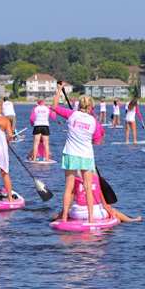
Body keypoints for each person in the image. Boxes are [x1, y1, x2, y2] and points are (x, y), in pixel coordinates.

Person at [52, 83, 105, 223]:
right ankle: (91, 218)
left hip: (71, 154)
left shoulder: (71, 114)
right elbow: (98, 140)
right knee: (88, 187)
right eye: (92, 108)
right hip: (86, 156)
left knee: (69, 186)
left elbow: (55, 107)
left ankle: (64, 217)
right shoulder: (94, 121)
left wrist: (59, 90)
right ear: (89, 107)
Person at [52, 171, 140, 223]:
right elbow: (105, 204)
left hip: (77, 214)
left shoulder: (76, 180)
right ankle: (132, 220)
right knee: (114, 211)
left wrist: (65, 212)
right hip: (95, 214)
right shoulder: (97, 181)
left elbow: (70, 199)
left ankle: (49, 218)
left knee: (66, 210)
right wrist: (112, 215)